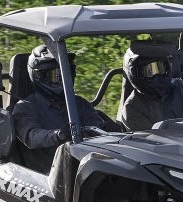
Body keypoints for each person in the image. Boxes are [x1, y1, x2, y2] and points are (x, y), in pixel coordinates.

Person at [12, 44, 122, 173]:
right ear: (38, 76)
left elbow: (95, 126)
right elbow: (31, 137)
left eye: (65, 74)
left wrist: (108, 130)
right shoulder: (25, 107)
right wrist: (59, 135)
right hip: (46, 175)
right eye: (55, 76)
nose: (61, 81)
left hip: (81, 168)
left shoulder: (79, 103)